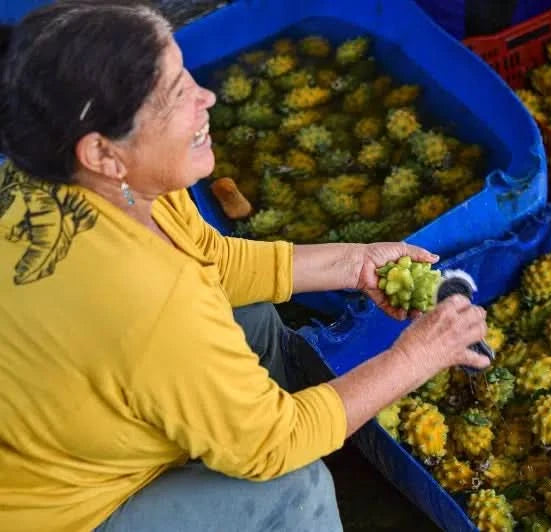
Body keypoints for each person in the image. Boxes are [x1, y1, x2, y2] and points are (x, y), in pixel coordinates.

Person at [0, 2, 490, 531]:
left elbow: (213, 262)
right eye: (176, 95)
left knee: (251, 315)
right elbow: (274, 446)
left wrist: (354, 262)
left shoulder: (65, 177)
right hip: (63, 514)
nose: (205, 96)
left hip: (60, 426)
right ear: (103, 153)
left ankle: (267, 428)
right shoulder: (153, 303)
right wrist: (417, 356)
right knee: (294, 489)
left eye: (186, 73)